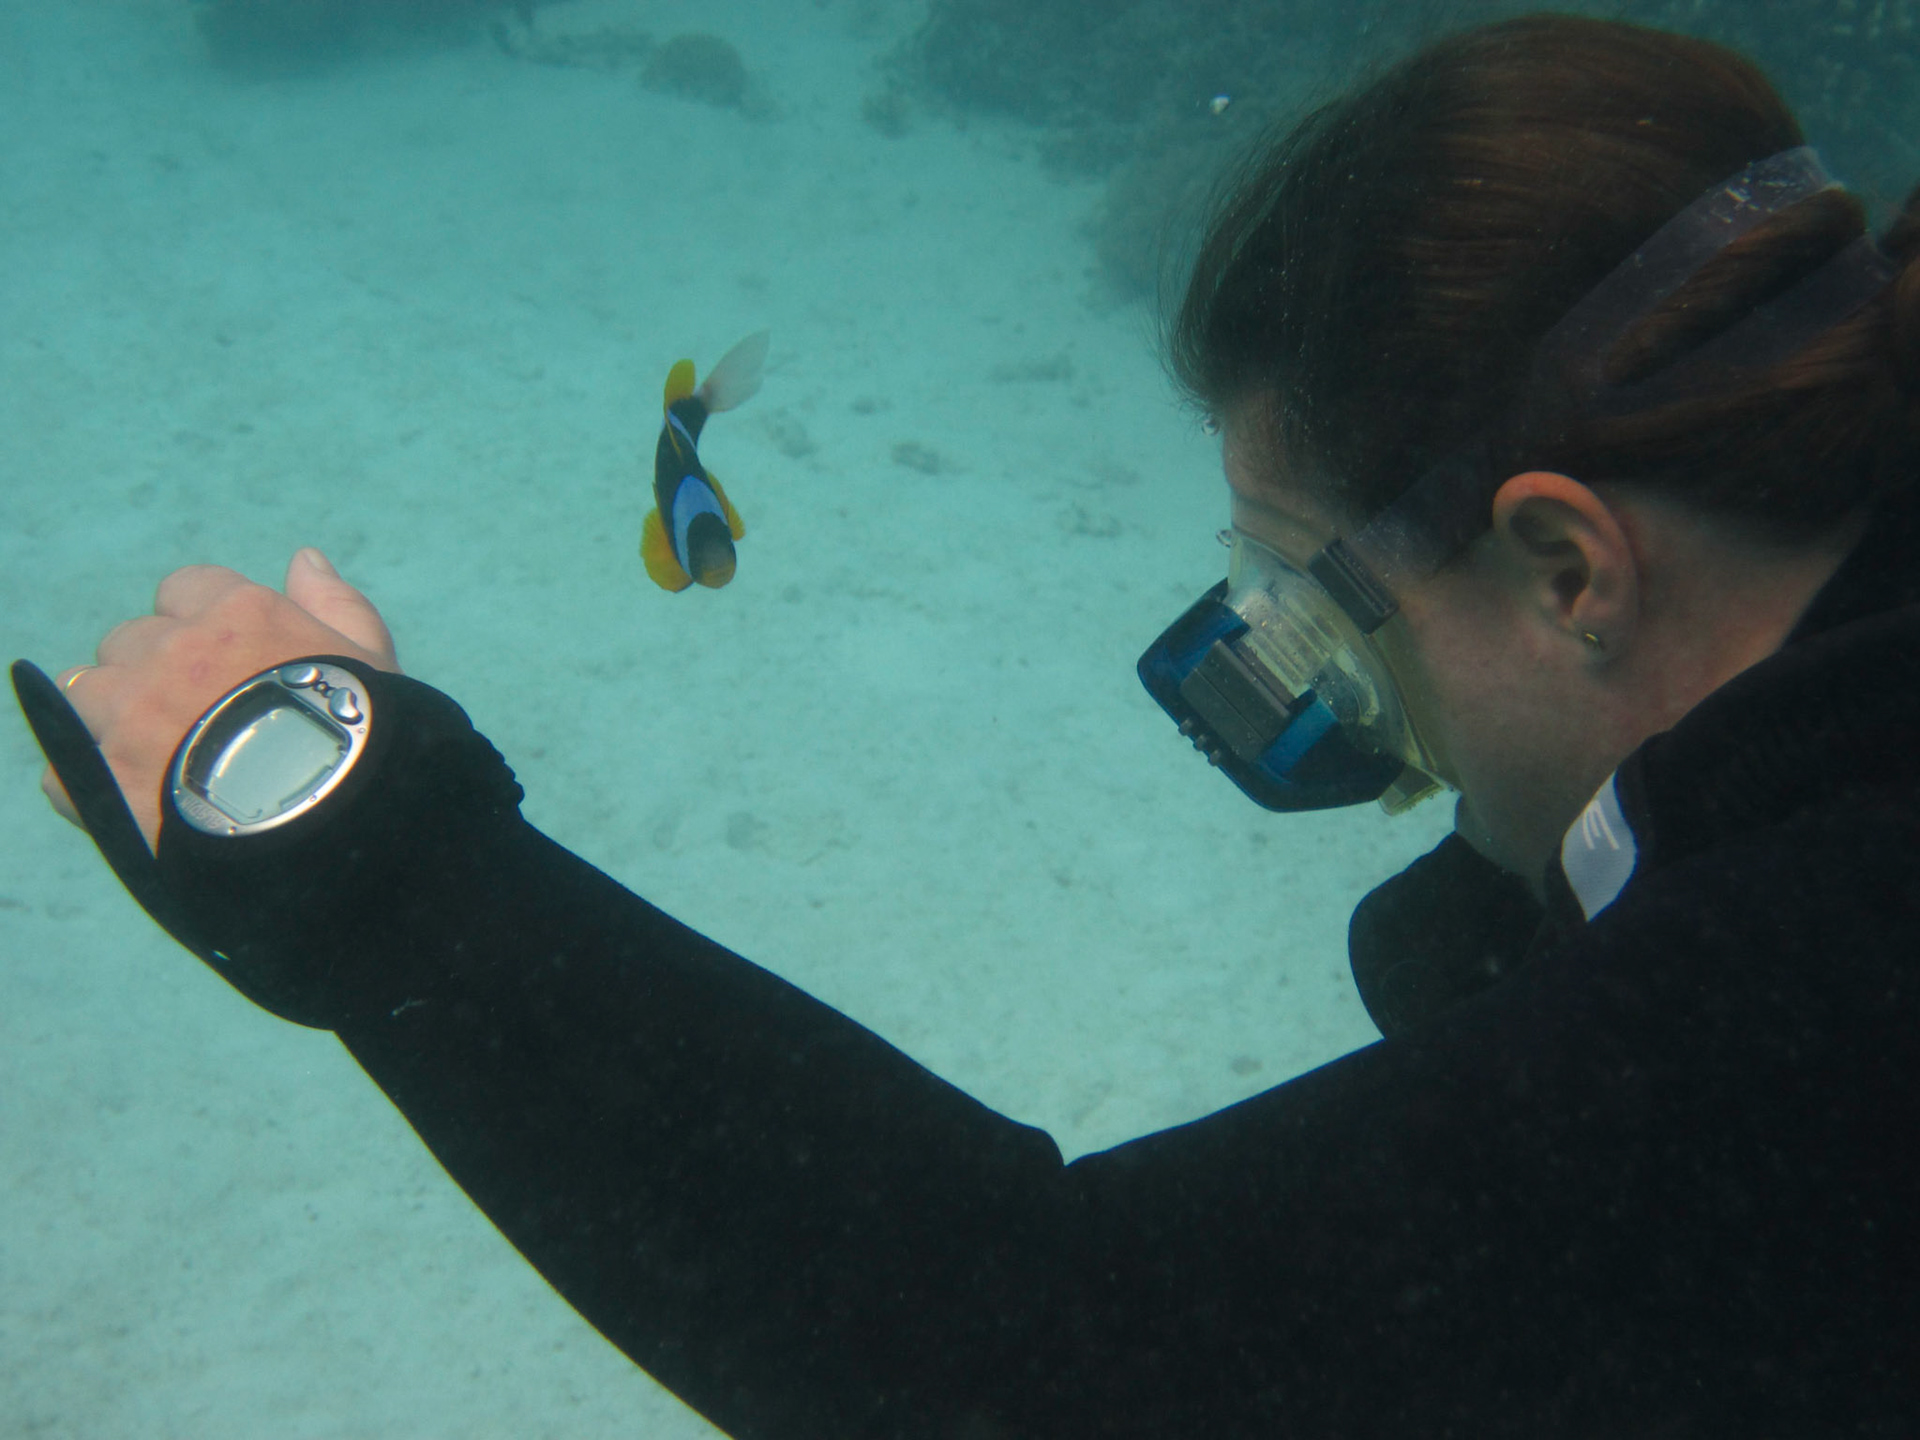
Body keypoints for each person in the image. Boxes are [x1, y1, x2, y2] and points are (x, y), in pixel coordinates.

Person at [17, 13, 1920, 1437]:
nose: (1368, 745)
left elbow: (1027, 1366)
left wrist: (367, 868)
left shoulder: (1841, 955)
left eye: (1330, 625)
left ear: (1571, 572)